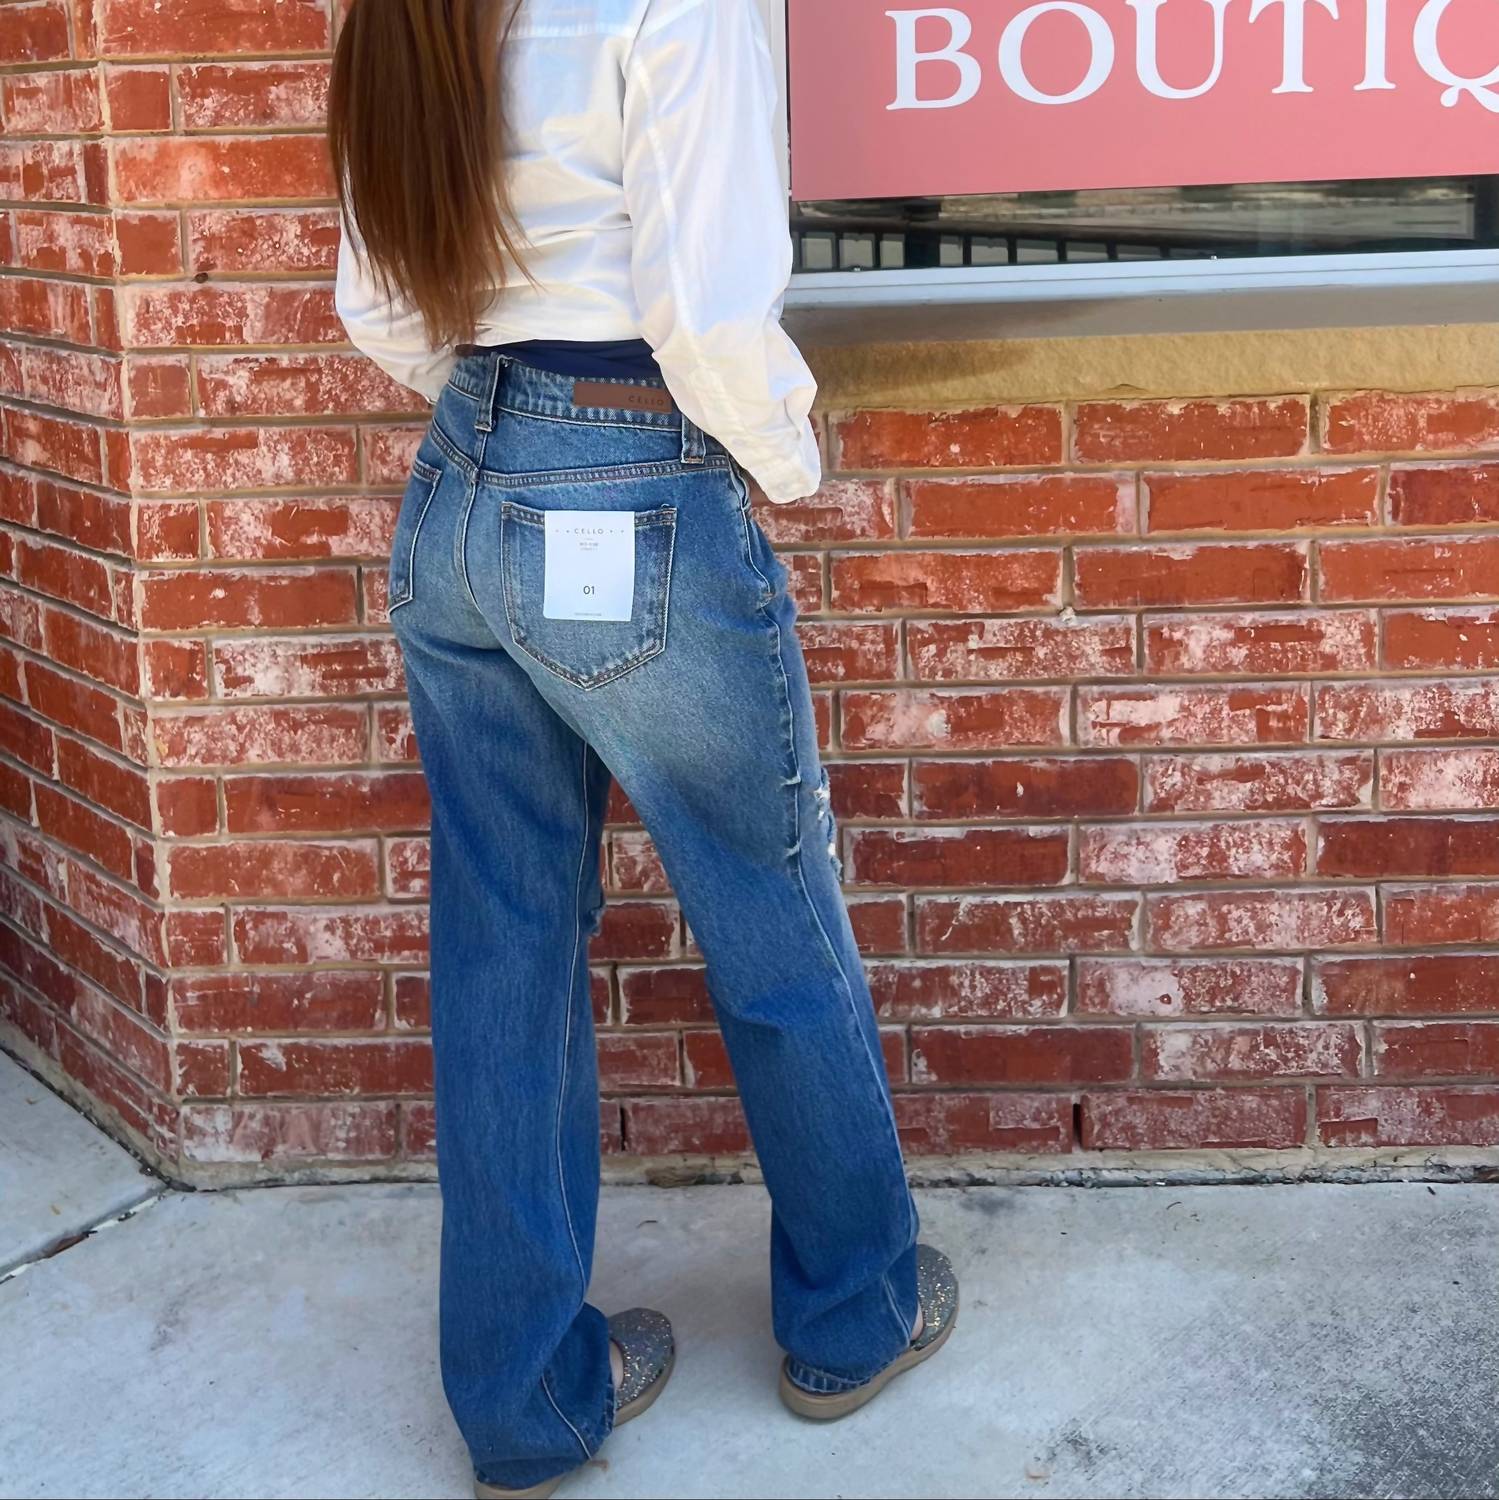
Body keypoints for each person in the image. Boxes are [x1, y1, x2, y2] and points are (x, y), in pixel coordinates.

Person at [330, 2, 957, 1495]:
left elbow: (379, 305)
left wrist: (507, 431)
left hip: (456, 490)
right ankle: (855, 1315)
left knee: (502, 941)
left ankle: (523, 1402)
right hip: (631, 461)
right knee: (771, 910)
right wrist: (785, 463)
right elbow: (711, 309)